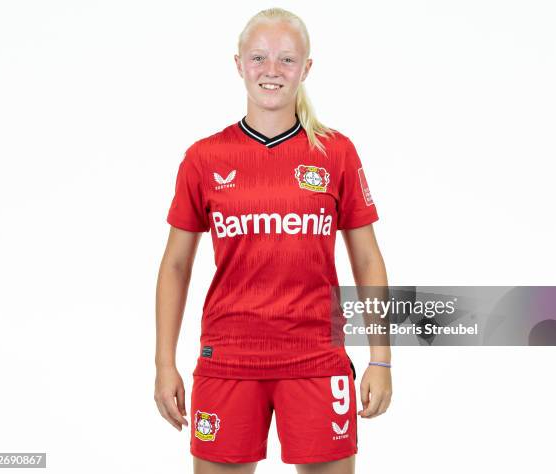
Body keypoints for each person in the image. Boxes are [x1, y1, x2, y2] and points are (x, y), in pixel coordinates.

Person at [155, 8, 391, 474]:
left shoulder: (336, 152)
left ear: (306, 68)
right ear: (238, 63)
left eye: (286, 60)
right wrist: (165, 363)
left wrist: (380, 359)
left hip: (317, 359)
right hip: (228, 359)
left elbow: (366, 258)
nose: (271, 70)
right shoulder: (204, 158)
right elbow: (176, 266)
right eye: (259, 57)